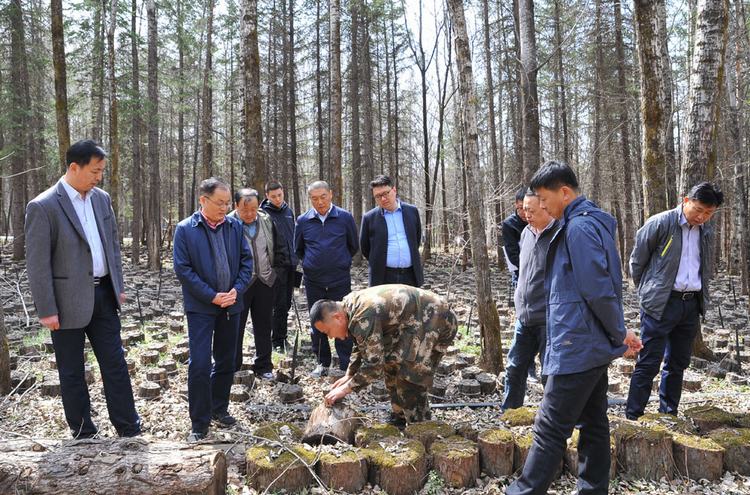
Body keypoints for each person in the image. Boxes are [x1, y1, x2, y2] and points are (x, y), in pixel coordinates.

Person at [506, 161, 642, 495]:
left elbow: (597, 289)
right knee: (594, 422)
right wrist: (618, 332)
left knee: (550, 428)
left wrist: (618, 332)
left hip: (576, 343)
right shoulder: (583, 223)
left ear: (564, 193)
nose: (541, 205)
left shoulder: (579, 228)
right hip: (587, 342)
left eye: (543, 198)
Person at [25, 139, 141, 439]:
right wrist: (46, 308)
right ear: (74, 167)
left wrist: (118, 285)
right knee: (72, 370)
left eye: (102, 171)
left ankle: (129, 428)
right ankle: (83, 432)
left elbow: (112, 245)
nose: (99, 177)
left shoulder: (101, 199)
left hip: (104, 296)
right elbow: (37, 264)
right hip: (65, 303)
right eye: (95, 171)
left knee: (115, 364)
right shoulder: (43, 206)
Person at [625, 182, 723, 420]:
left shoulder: (706, 231)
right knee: (649, 362)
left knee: (678, 363)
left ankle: (669, 414)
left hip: (690, 304)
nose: (701, 217)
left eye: (708, 213)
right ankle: (633, 416)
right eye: (698, 210)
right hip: (661, 303)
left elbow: (703, 266)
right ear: (686, 201)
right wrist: (649, 292)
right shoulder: (660, 223)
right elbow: (637, 262)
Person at [173, 177, 253, 442]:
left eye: (227, 203)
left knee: (227, 360)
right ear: (203, 200)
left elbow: (246, 262)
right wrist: (211, 296)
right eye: (219, 203)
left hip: (231, 304)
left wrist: (236, 290)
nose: (224, 208)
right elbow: (183, 270)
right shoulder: (185, 229)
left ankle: (220, 408)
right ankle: (199, 421)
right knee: (199, 363)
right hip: (201, 307)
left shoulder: (234, 226)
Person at [310, 284, 457, 427]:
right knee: (391, 365)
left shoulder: (362, 315)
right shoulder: (348, 308)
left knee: (410, 377)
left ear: (337, 317)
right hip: (415, 323)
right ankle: (400, 418)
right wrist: (350, 374)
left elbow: (374, 366)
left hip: (436, 319)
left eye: (327, 331)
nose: (330, 337)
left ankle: (420, 427)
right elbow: (363, 345)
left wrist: (345, 389)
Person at [295, 181, 359, 377]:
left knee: (342, 318)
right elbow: (299, 249)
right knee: (317, 320)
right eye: (314, 198)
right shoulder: (303, 221)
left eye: (323, 197)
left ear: (331, 194)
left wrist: (339, 262)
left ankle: (345, 363)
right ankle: (322, 363)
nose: (320, 202)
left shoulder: (344, 217)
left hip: (339, 279)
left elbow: (353, 246)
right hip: (314, 281)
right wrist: (312, 264)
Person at [501, 190, 557, 411]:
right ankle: (509, 414)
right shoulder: (525, 233)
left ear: (545, 207)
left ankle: (552, 418)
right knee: (514, 368)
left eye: (531, 210)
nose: (526, 215)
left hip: (548, 318)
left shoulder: (560, 234)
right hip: (524, 317)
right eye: (523, 210)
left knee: (549, 373)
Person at [229, 188, 287, 379]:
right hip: (239, 285)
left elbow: (279, 248)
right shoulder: (228, 223)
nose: (249, 214)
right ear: (236, 206)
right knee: (236, 326)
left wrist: (276, 273)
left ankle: (263, 366)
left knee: (264, 325)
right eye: (245, 210)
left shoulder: (267, 220)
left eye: (253, 209)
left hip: (265, 281)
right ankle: (233, 365)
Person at [360, 175, 423, 287]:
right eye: (378, 196)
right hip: (383, 277)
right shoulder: (369, 218)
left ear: (394, 190)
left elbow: (416, 240)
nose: (383, 199)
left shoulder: (412, 211)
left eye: (386, 193)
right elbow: (365, 248)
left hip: (410, 275)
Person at [260, 181, 297, 352]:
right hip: (275, 267)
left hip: (291, 265)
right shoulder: (263, 214)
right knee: (278, 305)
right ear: (267, 196)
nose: (277, 199)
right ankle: (276, 341)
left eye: (280, 195)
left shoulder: (288, 211)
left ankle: (281, 337)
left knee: (286, 304)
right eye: (273, 196)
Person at [501, 187, 529, 286]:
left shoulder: (537, 219)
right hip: (520, 271)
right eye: (520, 208)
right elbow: (512, 254)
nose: (524, 213)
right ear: (516, 204)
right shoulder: (509, 224)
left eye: (527, 208)